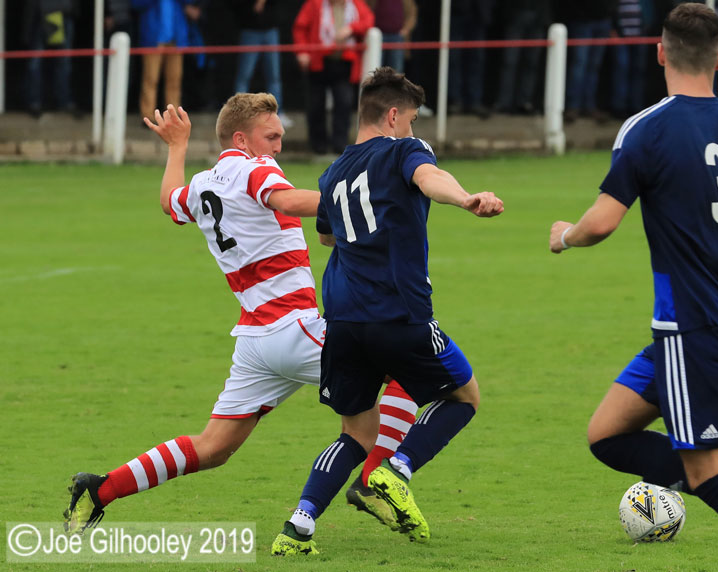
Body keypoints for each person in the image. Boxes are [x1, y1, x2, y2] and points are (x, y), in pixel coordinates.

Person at [62, 93, 419, 539]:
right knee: (413, 371)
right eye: (271, 136)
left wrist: (177, 147)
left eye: (280, 137)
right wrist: (358, 196)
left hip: (256, 341)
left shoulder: (201, 185)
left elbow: (169, 200)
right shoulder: (255, 168)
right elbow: (287, 202)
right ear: (241, 139)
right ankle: (373, 482)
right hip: (295, 327)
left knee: (212, 448)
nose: (278, 146)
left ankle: (100, 490)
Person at [549, 5, 718, 572]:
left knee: (710, 472)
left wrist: (564, 237)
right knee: (607, 434)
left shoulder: (647, 127)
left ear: (659, 52)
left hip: (689, 328)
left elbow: (601, 223)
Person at [271, 67, 503, 556]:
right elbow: (430, 177)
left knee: (356, 431)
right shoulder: (404, 150)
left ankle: (298, 526)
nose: (415, 130)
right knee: (464, 397)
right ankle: (394, 471)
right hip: (399, 314)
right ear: (393, 116)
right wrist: (466, 198)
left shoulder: (332, 172)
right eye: (413, 119)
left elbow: (330, 237)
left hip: (343, 320)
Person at [292, 0, 375, 155]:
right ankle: (318, 146)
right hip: (319, 61)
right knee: (315, 104)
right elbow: (300, 28)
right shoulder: (315, 4)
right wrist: (302, 51)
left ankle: (340, 145)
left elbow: (368, 21)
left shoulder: (355, 5)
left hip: (344, 63)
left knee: (343, 103)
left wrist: (351, 28)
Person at [132, 0, 200, 124]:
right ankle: (147, 116)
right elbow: (136, 4)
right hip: (153, 38)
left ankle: (173, 115)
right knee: (150, 78)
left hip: (176, 38)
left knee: (174, 79)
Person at [232, 0, 293, 128]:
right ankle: (236, 115)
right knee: (244, 76)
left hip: (270, 29)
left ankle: (277, 114)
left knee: (274, 76)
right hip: (249, 29)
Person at [560, 0, 617, 123]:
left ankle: (589, 106)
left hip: (603, 21)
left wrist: (609, 13)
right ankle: (572, 106)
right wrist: (580, 14)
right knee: (579, 64)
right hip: (583, 21)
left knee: (594, 66)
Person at [493, 0, 551, 116]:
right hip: (515, 14)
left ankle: (524, 102)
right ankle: (504, 102)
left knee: (531, 64)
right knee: (509, 62)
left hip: (538, 16)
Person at [22, 0, 78, 118]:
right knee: (36, 63)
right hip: (40, 15)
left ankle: (63, 101)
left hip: (63, 14)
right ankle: (35, 102)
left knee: (63, 62)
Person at [447, 0, 494, 118]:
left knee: (476, 60)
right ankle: (455, 100)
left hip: (479, 12)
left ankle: (474, 100)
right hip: (456, 11)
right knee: (454, 58)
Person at [366, 0, 418, 74]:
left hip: (397, 37)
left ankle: (395, 86)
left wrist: (405, 30)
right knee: (375, 68)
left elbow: (412, 13)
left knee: (397, 70)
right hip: (377, 37)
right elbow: (366, 9)